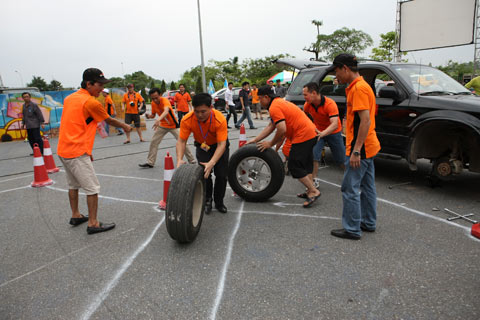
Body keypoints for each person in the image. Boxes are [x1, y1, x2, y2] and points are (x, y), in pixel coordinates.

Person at [57, 68, 132, 234]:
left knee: (73, 185)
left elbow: (77, 123)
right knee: (92, 188)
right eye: (99, 85)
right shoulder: (91, 102)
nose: (101, 89)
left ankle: (76, 215)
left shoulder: (70, 98)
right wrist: (126, 126)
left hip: (64, 149)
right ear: (88, 84)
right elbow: (109, 120)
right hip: (76, 151)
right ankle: (93, 223)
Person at [326, 53, 381, 240]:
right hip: (369, 145)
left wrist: (356, 150)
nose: (336, 76)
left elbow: (364, 121)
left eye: (337, 71)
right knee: (367, 186)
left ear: (345, 68)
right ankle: (368, 222)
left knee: (349, 188)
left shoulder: (358, 89)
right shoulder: (362, 86)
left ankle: (352, 229)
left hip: (362, 148)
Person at [247, 85, 320, 208]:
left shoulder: (275, 107)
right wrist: (256, 139)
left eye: (260, 99)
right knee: (305, 164)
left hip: (303, 135)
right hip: (311, 133)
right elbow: (271, 126)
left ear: (266, 97)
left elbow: (281, 129)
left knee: (294, 165)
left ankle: (313, 191)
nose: (259, 101)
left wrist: (270, 144)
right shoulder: (278, 103)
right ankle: (310, 189)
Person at [176, 93, 229, 214]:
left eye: (203, 111)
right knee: (205, 174)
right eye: (197, 111)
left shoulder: (219, 119)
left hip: (219, 146)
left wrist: (212, 162)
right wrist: (179, 159)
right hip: (202, 146)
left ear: (211, 107)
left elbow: (222, 145)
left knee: (221, 175)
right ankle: (207, 200)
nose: (199, 115)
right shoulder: (187, 119)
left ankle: (219, 202)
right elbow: (181, 141)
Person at [139, 88, 195, 168]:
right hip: (163, 125)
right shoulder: (153, 103)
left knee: (182, 141)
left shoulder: (165, 101)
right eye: (153, 98)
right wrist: (149, 116)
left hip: (173, 125)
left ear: (160, 95)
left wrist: (158, 119)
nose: (155, 100)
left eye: (156, 97)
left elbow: (166, 111)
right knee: (154, 142)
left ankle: (191, 160)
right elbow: (153, 115)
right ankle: (150, 162)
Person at [303, 82, 346, 186]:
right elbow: (304, 118)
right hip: (318, 132)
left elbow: (335, 124)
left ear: (313, 93)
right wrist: (313, 128)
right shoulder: (307, 105)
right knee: (314, 155)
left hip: (333, 132)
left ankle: (350, 176)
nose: (304, 97)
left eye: (305, 95)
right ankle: (314, 180)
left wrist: (322, 134)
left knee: (341, 160)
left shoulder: (329, 104)